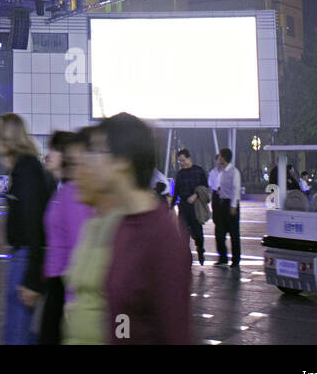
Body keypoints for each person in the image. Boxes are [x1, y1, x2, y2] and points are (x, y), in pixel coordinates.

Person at [65, 114, 191, 345]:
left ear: (122, 160)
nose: (89, 161)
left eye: (98, 151)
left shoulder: (162, 237)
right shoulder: (121, 225)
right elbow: (124, 316)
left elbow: (175, 332)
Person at [0, 112, 56, 344]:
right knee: (17, 333)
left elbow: (34, 224)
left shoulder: (27, 169)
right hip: (22, 256)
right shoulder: (24, 168)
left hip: (25, 258)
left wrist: (32, 279)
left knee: (16, 336)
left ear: (6, 138)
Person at [39, 130, 92, 344]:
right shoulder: (59, 190)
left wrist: (71, 297)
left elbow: (78, 245)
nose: (47, 154)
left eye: (53, 149)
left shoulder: (72, 192)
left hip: (65, 285)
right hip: (56, 283)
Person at [172, 148, 210, 267]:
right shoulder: (179, 174)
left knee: (198, 233)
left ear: (189, 158)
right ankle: (186, 260)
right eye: (179, 161)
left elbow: (205, 187)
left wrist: (196, 195)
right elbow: (176, 191)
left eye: (183, 160)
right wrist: (171, 205)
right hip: (183, 206)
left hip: (195, 207)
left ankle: (200, 249)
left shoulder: (199, 171)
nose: (181, 163)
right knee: (183, 235)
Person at [213, 148, 242, 267]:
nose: (218, 158)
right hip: (222, 204)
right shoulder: (221, 171)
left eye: (220, 156)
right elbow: (218, 187)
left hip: (231, 204)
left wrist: (233, 205)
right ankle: (223, 257)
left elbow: (236, 189)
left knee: (234, 234)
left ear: (224, 158)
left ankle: (235, 260)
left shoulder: (234, 171)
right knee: (219, 232)